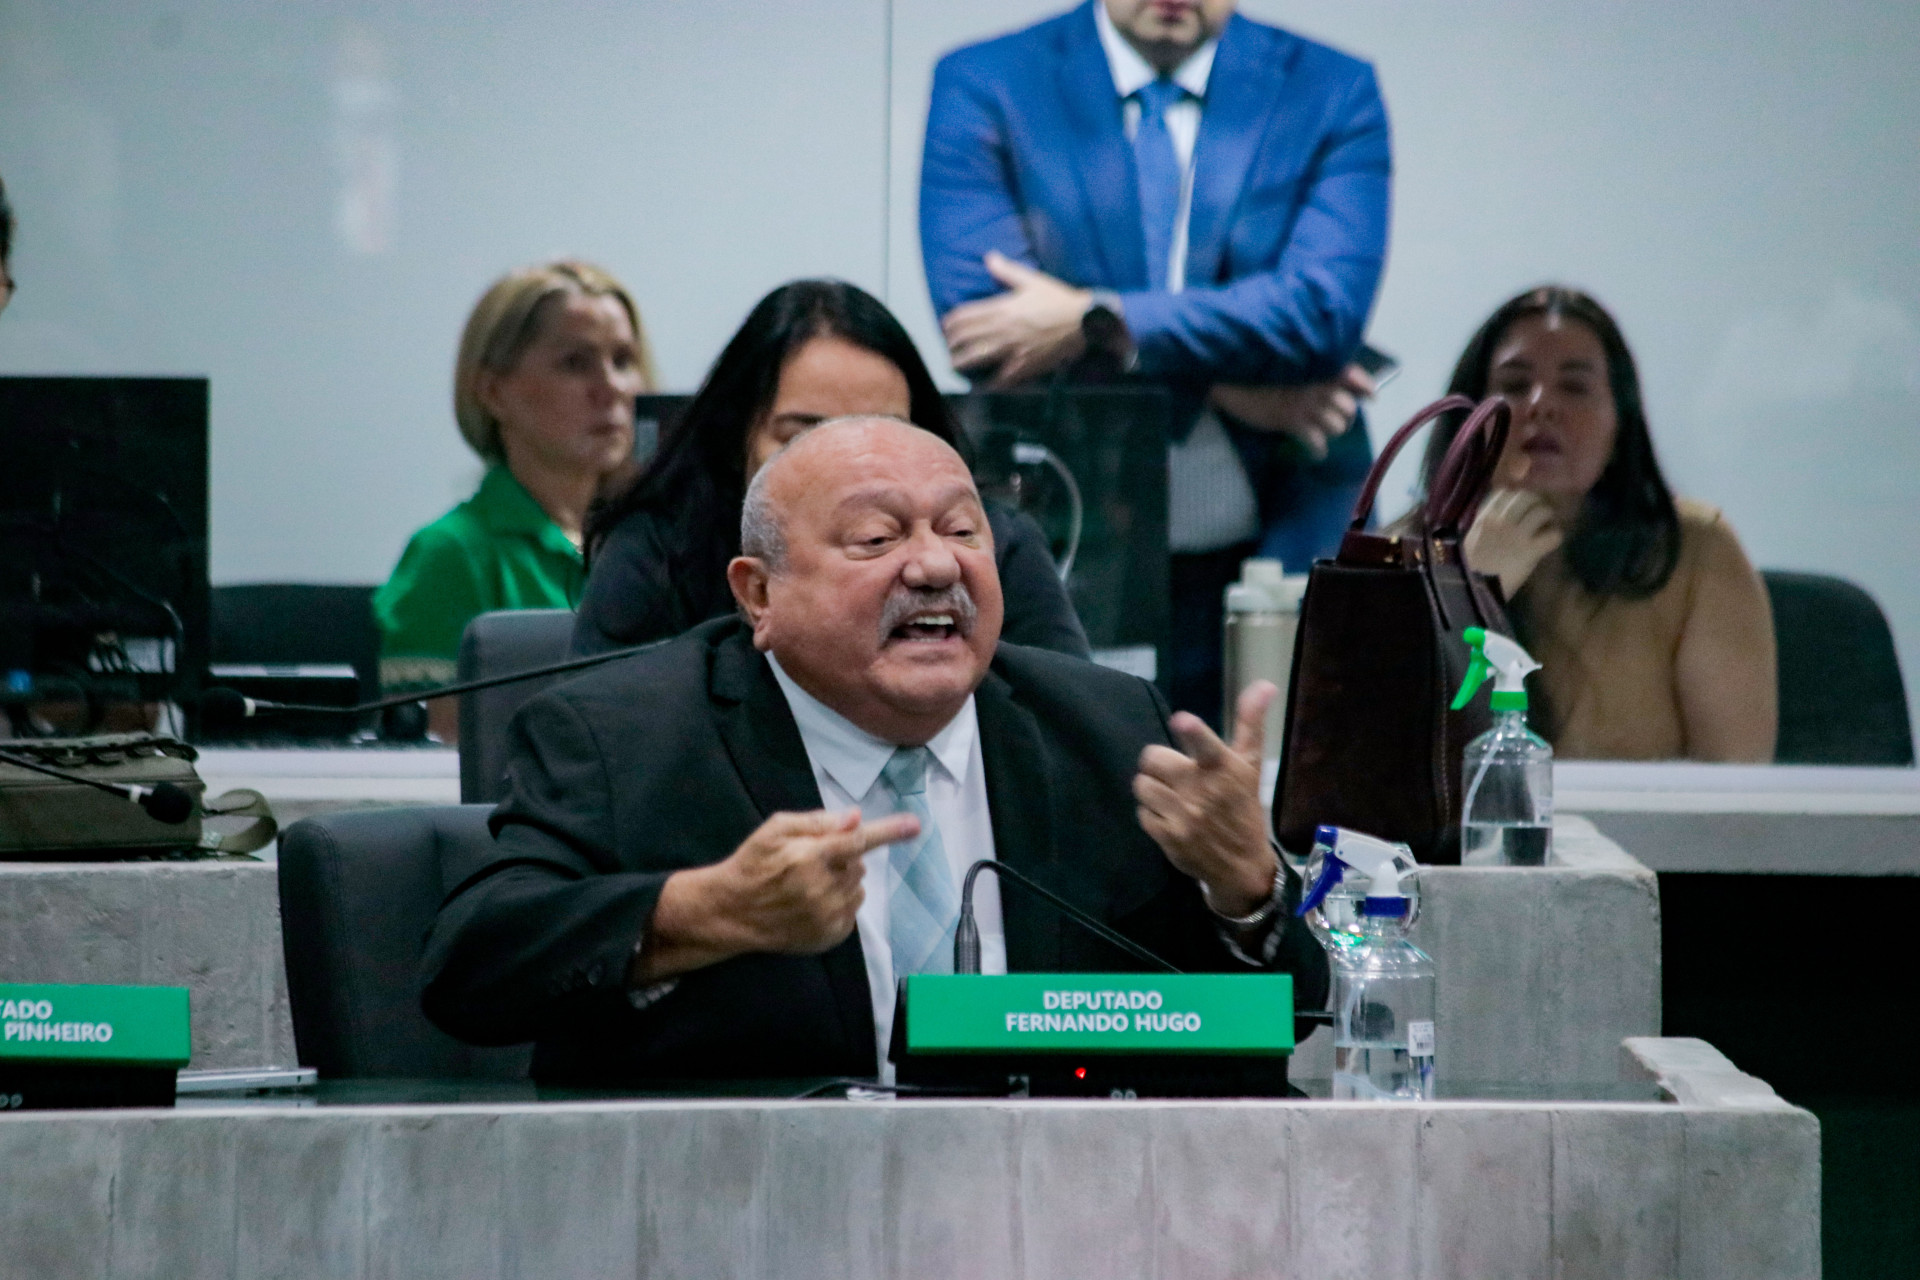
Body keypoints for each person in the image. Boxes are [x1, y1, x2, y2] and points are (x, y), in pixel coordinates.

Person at [422, 416, 1326, 1083]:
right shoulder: (623, 734)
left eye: (963, 530)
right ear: (758, 593)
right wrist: (708, 910)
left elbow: (1289, 1015)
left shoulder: (1109, 732)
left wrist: (1247, 887)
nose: (934, 566)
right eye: (877, 538)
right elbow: (471, 967)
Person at [919, 0, 1391, 721]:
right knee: (1068, 789)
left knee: (1280, 794)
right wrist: (1232, 387)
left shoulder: (1330, 86)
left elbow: (1322, 311)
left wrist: (1096, 320)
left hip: (1281, 529)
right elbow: (985, 327)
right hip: (1068, 528)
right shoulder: (988, 79)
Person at [573, 279, 1088, 660]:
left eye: (882, 432)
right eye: (803, 435)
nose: (851, 471)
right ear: (737, 439)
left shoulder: (993, 549)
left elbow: (1074, 723)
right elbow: (604, 755)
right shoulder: (657, 553)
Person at [1423, 286, 1776, 761]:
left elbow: (1734, 792)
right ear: (1470, 418)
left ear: (1619, 424)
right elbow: (1377, 764)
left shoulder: (1695, 551)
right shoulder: (1405, 551)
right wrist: (1468, 589)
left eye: (1575, 386)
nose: (1541, 405)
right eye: (1513, 385)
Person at [373, 259, 656, 741]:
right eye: (575, 362)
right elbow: (438, 761)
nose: (611, 387)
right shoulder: (448, 555)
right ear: (493, 391)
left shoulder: (657, 543)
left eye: (623, 361)